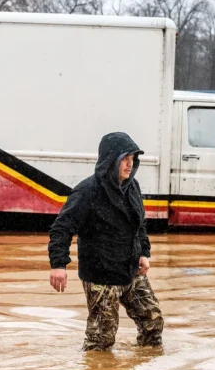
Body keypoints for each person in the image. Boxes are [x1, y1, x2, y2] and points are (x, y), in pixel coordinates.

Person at [47, 132, 164, 351]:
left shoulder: (133, 187)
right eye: (125, 159)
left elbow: (139, 224)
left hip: (130, 270)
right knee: (101, 340)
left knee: (153, 322)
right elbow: (61, 227)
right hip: (101, 275)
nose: (130, 165)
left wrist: (144, 253)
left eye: (133, 159)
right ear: (111, 160)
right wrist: (58, 265)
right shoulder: (88, 191)